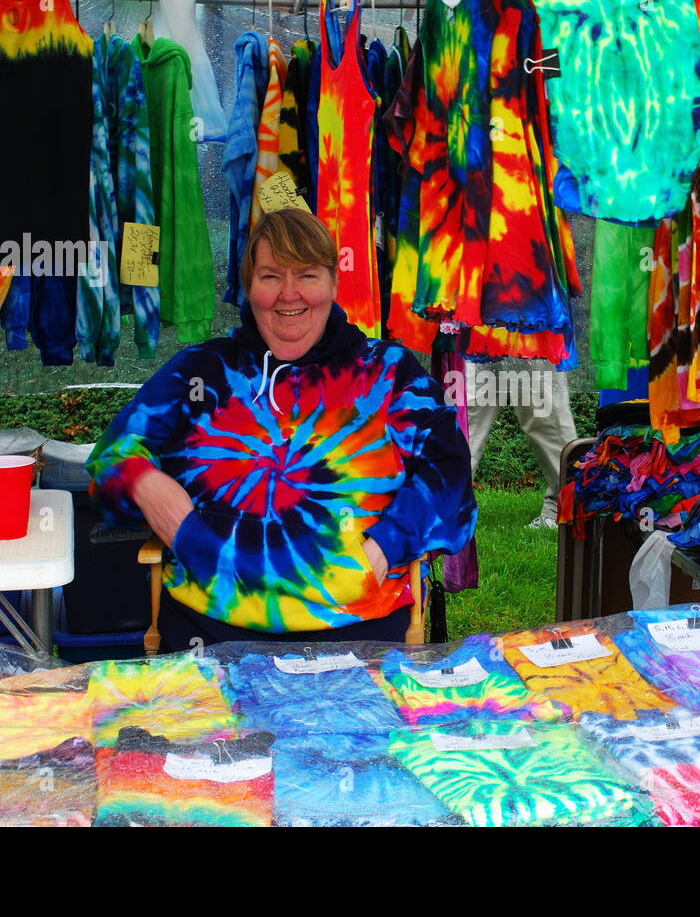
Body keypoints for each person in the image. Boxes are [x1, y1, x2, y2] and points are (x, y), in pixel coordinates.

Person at [86, 208, 477, 650]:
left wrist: (384, 548)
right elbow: (111, 457)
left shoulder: (387, 374)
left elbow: (450, 472)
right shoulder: (203, 372)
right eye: (270, 276)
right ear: (248, 288)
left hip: (356, 637)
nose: (288, 295)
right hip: (210, 636)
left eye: (307, 275)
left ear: (333, 283)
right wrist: (165, 506)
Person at [465, 359, 578, 529]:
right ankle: (444, 512)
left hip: (531, 339)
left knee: (545, 417)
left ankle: (571, 505)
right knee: (467, 415)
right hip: (482, 336)